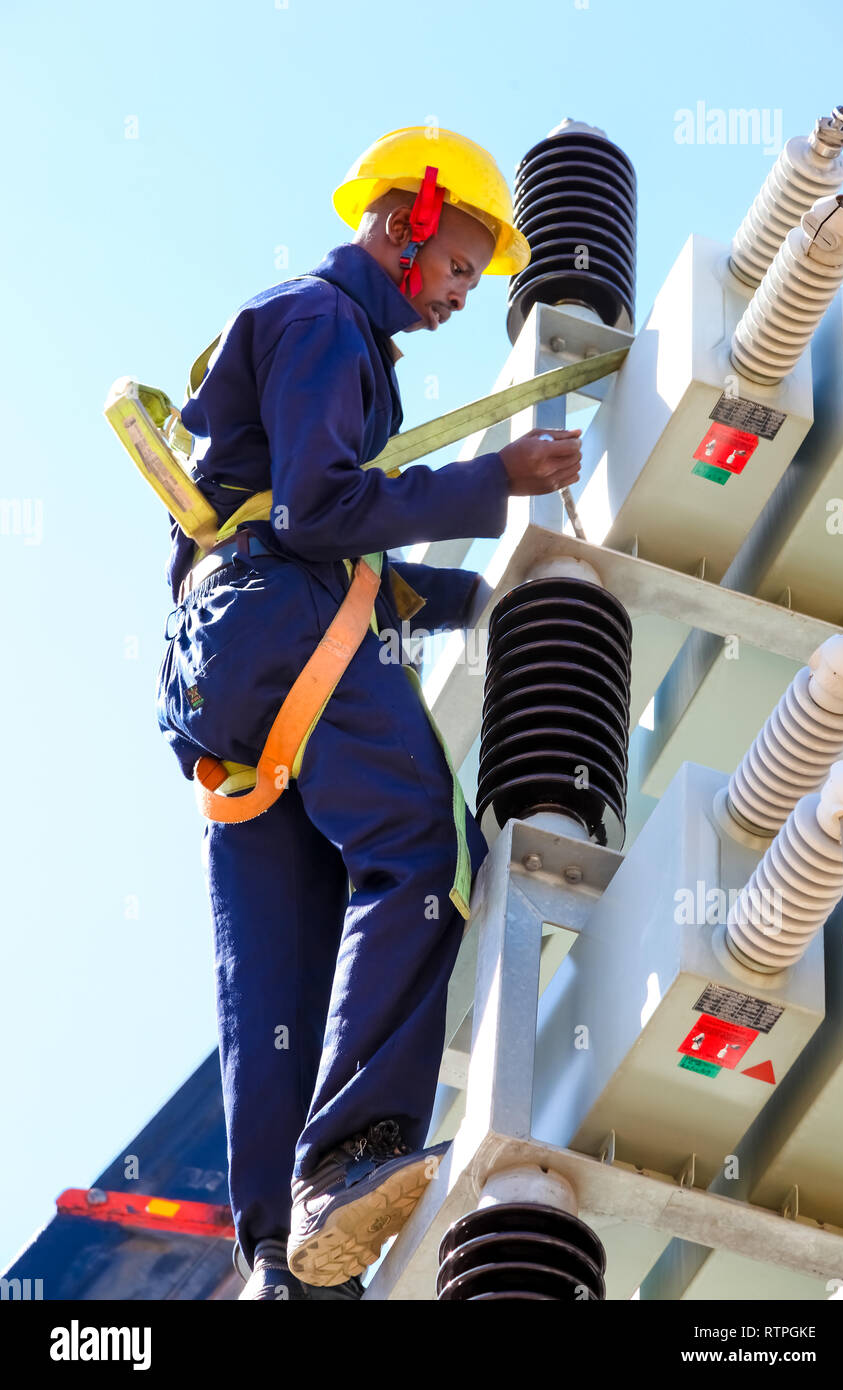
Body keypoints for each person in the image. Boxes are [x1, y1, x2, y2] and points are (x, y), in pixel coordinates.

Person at [155, 127, 582, 1299]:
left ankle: (277, 1256)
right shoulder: (320, 321)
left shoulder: (319, 337)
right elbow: (322, 510)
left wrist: (480, 591)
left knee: (275, 976)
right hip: (275, 622)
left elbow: (310, 533)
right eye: (458, 264)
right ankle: (349, 1157)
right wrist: (500, 482)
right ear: (403, 221)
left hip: (229, 669)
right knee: (420, 849)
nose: (459, 295)